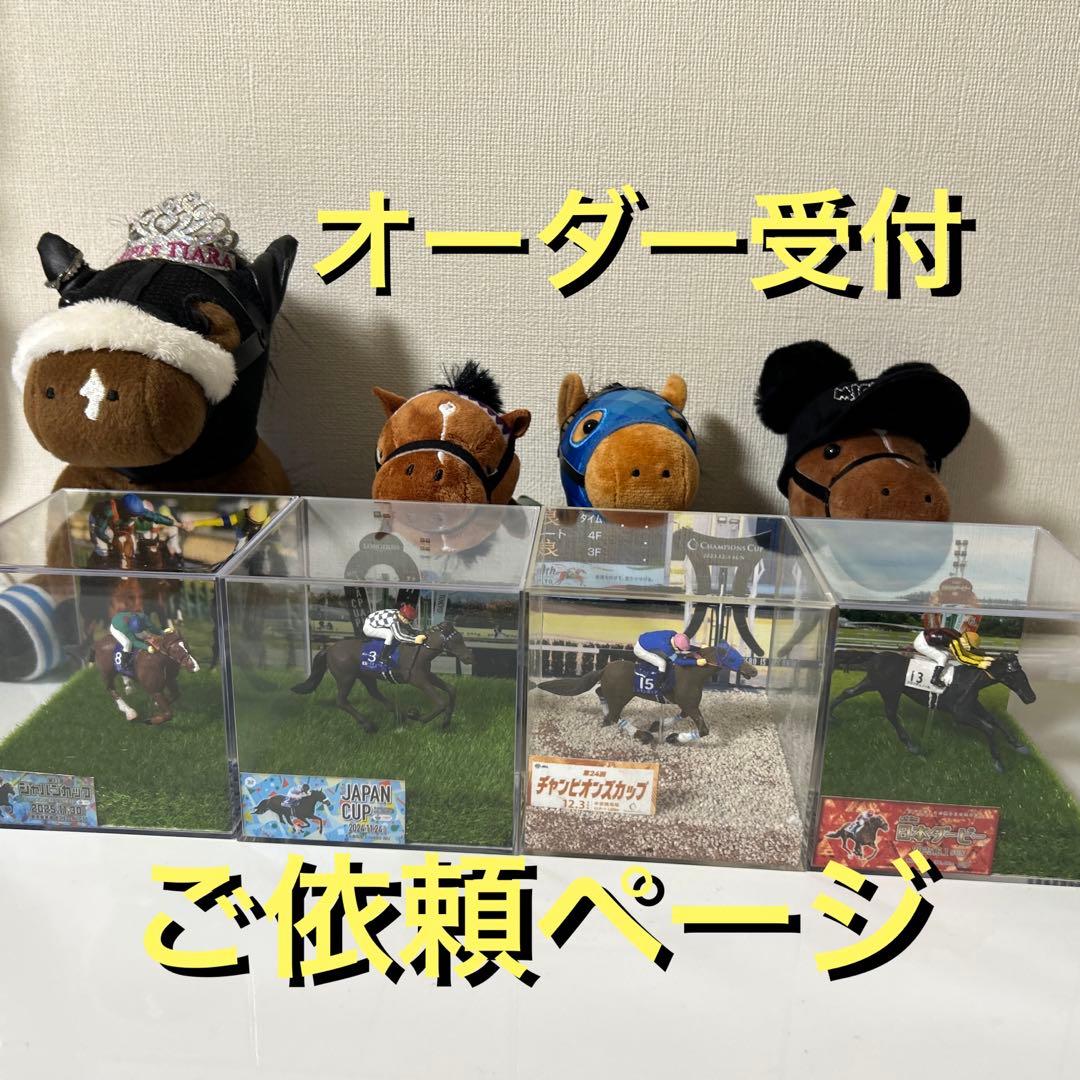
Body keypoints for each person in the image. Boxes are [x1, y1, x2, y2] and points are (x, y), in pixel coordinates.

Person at [913, 625, 991, 689]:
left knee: (947, 654)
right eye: (972, 647)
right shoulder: (955, 642)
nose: (971, 649)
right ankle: (935, 679)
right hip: (922, 643)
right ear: (967, 642)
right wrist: (978, 664)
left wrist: (982, 659)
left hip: (925, 638)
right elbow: (961, 658)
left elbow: (965, 653)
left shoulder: (959, 637)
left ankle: (939, 670)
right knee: (942, 657)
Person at [362, 602, 427, 665]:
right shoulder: (393, 619)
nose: (410, 622)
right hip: (369, 627)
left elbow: (406, 625)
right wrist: (415, 639)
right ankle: (382, 657)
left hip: (371, 621)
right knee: (390, 634)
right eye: (410, 620)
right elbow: (399, 636)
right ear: (404, 618)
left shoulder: (398, 613)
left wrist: (415, 631)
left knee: (392, 631)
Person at [109, 610, 169, 676]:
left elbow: (152, 628)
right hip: (116, 628)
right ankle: (123, 664)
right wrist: (147, 647)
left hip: (125, 622)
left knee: (145, 635)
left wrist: (162, 632)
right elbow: (134, 641)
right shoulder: (125, 628)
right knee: (128, 644)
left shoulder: (144, 617)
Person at [633, 630, 705, 682]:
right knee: (662, 663)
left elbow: (685, 646)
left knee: (667, 658)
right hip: (640, 649)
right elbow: (678, 661)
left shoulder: (674, 634)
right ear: (676, 647)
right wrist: (696, 662)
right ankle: (658, 682)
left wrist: (700, 648)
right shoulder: (667, 647)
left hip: (646, 639)